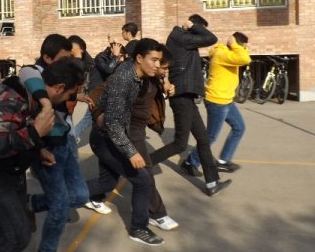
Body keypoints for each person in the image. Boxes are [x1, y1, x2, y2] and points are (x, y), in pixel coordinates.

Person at [0, 57, 85, 252]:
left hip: (14, 170)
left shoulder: (38, 96)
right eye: (70, 94)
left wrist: (39, 149)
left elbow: (25, 126)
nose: (70, 101)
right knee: (18, 237)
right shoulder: (12, 99)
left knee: (11, 229)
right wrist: (34, 135)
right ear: (60, 88)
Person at [85, 45, 179, 233]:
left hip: (127, 131)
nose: (162, 70)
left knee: (107, 182)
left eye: (165, 67)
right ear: (140, 59)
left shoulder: (153, 76)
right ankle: (156, 214)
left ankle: (88, 195)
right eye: (161, 65)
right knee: (144, 176)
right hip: (127, 131)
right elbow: (98, 93)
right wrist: (99, 115)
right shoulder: (125, 76)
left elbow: (160, 84)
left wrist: (167, 83)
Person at [20, 34, 89, 252]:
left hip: (65, 141)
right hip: (45, 147)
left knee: (80, 195)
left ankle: (30, 203)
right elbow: (26, 74)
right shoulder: (35, 73)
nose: (67, 62)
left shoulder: (62, 78)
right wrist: (46, 103)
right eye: (63, 58)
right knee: (59, 206)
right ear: (47, 58)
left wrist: (76, 94)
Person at [150, 14, 231, 197]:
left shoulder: (182, 38)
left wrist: (194, 27)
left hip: (186, 95)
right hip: (181, 96)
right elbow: (211, 38)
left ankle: (212, 183)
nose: (200, 34)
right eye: (198, 29)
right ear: (191, 27)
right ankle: (142, 165)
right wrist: (193, 25)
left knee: (203, 139)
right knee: (180, 144)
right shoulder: (181, 36)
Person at [185, 32, 251, 173]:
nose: (244, 49)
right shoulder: (222, 54)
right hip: (217, 101)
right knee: (210, 136)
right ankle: (190, 162)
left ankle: (223, 161)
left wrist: (239, 46)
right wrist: (234, 43)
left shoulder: (230, 54)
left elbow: (243, 56)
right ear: (235, 44)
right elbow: (245, 59)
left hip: (226, 100)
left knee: (239, 128)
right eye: (243, 47)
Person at [68, 35, 94, 144]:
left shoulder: (81, 62)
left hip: (71, 102)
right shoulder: (68, 62)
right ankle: (72, 137)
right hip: (64, 103)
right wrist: (78, 55)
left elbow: (88, 65)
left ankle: (72, 137)